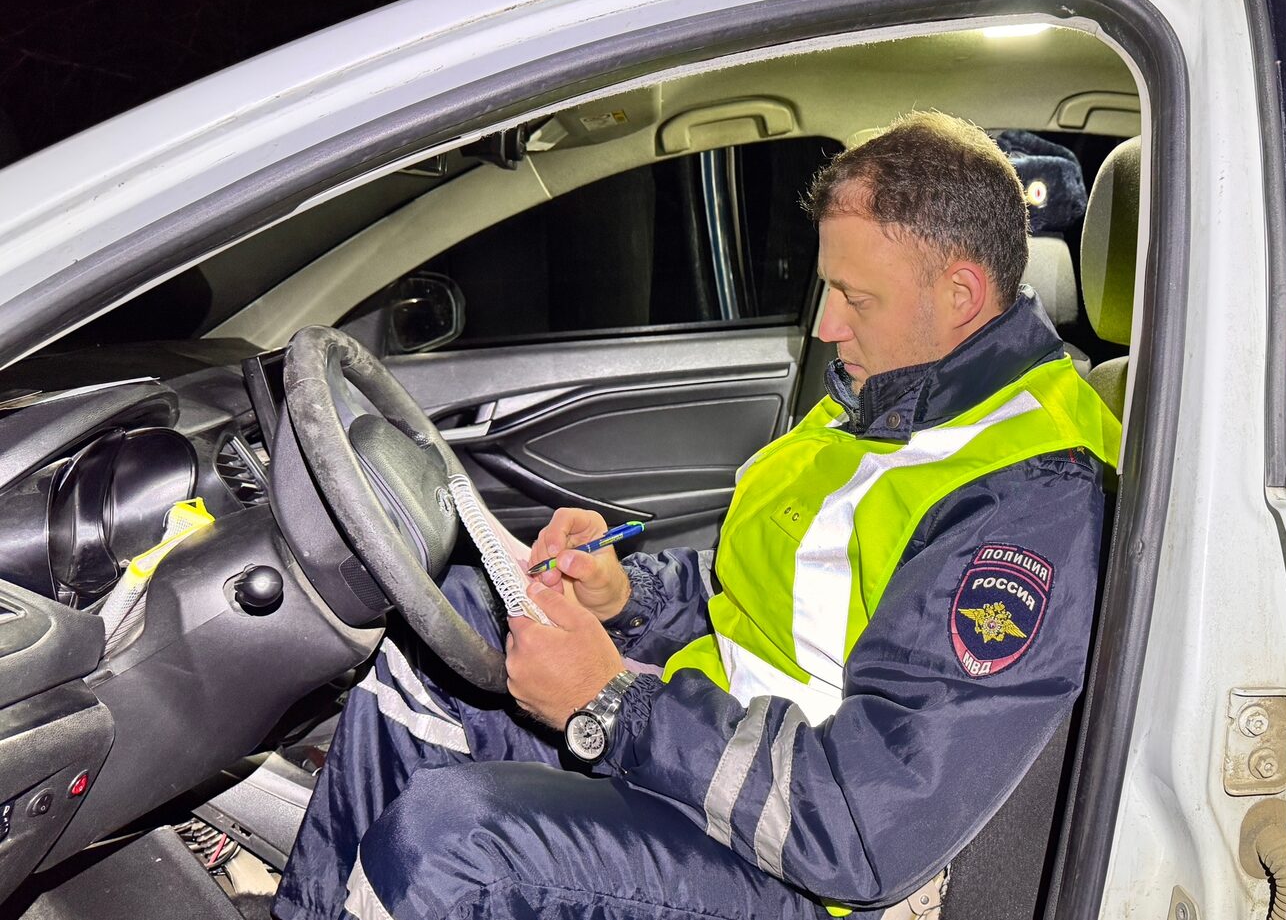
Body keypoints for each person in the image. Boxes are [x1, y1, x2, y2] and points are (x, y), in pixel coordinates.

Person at [273, 110, 1121, 920]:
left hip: (808, 869)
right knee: (455, 623)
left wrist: (611, 701)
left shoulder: (1031, 494)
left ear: (962, 292)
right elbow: (758, 589)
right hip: (720, 753)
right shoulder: (893, 391)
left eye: (854, 298)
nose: (828, 325)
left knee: (449, 843)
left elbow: (867, 823)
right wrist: (623, 595)